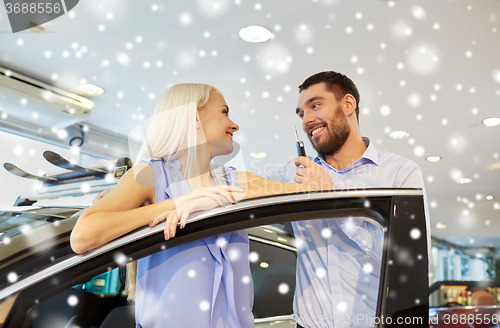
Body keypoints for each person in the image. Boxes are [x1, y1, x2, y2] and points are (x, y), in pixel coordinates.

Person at [70, 83, 313, 328]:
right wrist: (178, 203)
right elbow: (82, 236)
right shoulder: (150, 175)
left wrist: (219, 199)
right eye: (224, 112)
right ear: (194, 117)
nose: (234, 124)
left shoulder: (234, 181)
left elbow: (311, 195)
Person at [265, 71, 431, 328]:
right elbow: (237, 186)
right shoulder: (294, 173)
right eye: (301, 113)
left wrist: (332, 198)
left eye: (315, 105)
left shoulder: (400, 172)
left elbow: (410, 263)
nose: (307, 120)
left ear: (348, 104)